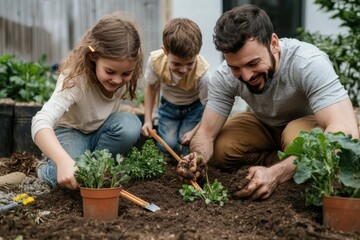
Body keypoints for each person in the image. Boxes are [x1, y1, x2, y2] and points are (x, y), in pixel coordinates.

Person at [176, 4, 359, 200]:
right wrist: (197, 157)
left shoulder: (308, 63)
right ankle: (286, 161)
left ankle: (284, 165)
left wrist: (275, 174)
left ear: (273, 43)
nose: (246, 76)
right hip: (265, 124)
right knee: (221, 148)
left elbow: (344, 130)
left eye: (253, 63)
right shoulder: (224, 75)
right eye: (235, 67)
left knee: (297, 140)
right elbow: (206, 132)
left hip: (306, 124)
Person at [31, 12, 143, 190]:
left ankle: (94, 172)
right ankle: (47, 169)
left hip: (99, 132)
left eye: (126, 74)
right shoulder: (75, 79)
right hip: (70, 132)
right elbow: (40, 121)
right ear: (93, 56)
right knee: (68, 180)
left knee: (130, 125)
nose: (117, 80)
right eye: (110, 71)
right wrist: (63, 161)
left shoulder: (122, 75)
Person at [141, 18, 210, 158]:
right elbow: (151, 88)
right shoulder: (155, 62)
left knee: (186, 145)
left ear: (198, 52)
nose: (184, 70)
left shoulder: (203, 74)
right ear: (165, 51)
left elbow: (210, 107)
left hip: (195, 109)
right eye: (177, 64)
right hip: (168, 108)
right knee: (168, 145)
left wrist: (195, 131)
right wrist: (147, 120)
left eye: (190, 63)